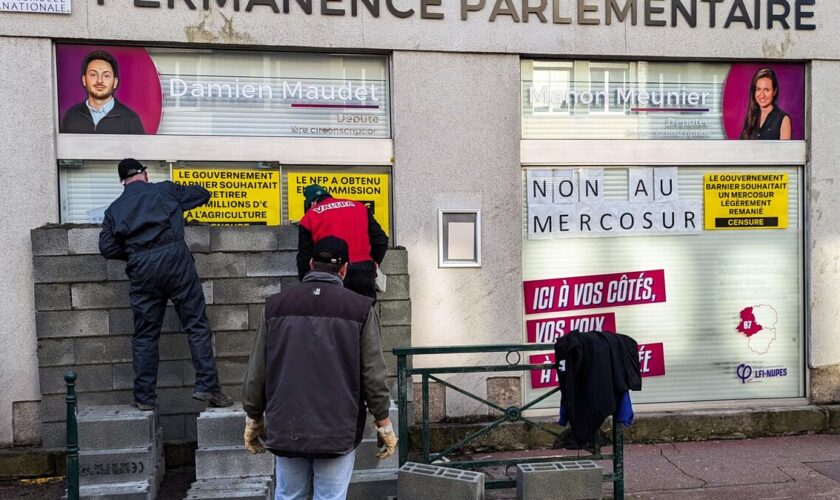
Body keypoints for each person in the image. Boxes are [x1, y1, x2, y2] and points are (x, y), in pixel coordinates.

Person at [243, 236, 397, 500]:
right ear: (344, 269)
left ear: (312, 264)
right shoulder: (360, 309)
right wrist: (383, 422)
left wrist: (254, 416)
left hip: (287, 425)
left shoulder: (275, 307)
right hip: (337, 428)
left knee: (288, 495)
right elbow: (373, 375)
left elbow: (258, 369)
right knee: (330, 497)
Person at [99, 158, 232, 411]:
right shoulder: (165, 190)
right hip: (175, 260)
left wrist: (135, 252)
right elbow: (203, 194)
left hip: (141, 268)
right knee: (196, 325)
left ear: (122, 182)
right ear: (145, 174)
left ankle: (144, 398)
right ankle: (208, 387)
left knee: (145, 335)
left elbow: (106, 248)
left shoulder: (114, 209)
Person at [296, 184, 388, 299]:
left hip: (331, 273)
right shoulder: (359, 207)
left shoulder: (310, 216)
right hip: (363, 272)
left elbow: (304, 256)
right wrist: (374, 264)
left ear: (312, 203)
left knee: (334, 314)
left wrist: (307, 282)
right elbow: (381, 240)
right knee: (365, 313)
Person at [60, 50, 145, 134]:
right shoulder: (71, 116)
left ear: (115, 82)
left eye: (106, 75)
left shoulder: (130, 119)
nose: (99, 80)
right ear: (84, 80)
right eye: (93, 74)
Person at [739, 67, 792, 140]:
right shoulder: (751, 117)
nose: (762, 95)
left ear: (774, 91)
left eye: (766, 90)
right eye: (758, 89)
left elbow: (785, 151)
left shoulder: (783, 119)